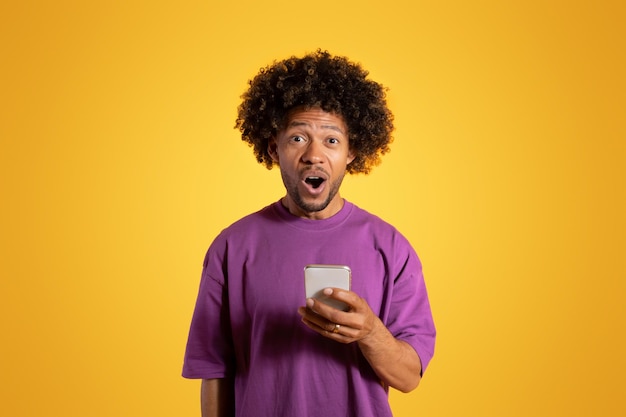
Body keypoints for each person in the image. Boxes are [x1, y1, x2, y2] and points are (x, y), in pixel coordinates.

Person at [182, 49, 436, 417]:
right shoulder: (232, 246)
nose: (314, 155)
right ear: (274, 148)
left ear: (351, 153)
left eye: (331, 140)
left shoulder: (391, 247)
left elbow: (409, 377)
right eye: (298, 138)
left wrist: (369, 332)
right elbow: (213, 370)